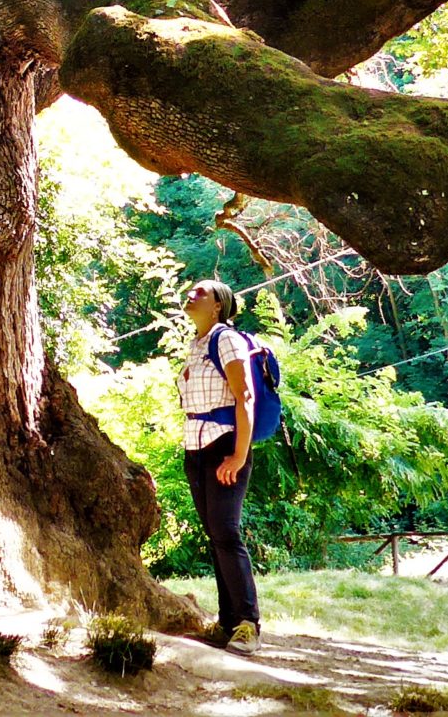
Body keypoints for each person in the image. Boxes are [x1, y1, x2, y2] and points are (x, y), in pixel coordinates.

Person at [179, 277, 260, 652]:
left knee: (226, 532)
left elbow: (245, 398)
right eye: (190, 289)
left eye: (201, 292)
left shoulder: (226, 339)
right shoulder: (197, 345)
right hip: (195, 448)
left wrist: (239, 455)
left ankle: (248, 624)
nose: (190, 294)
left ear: (218, 306)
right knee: (216, 535)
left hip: (225, 444)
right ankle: (227, 624)